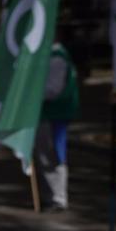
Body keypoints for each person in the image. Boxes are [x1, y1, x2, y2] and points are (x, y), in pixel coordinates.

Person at [35, 39, 79, 212]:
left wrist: (30, 93)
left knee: (52, 155)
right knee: (49, 154)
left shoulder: (56, 58)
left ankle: (57, 198)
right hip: (52, 113)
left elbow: (52, 90)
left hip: (53, 114)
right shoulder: (54, 55)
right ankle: (52, 196)